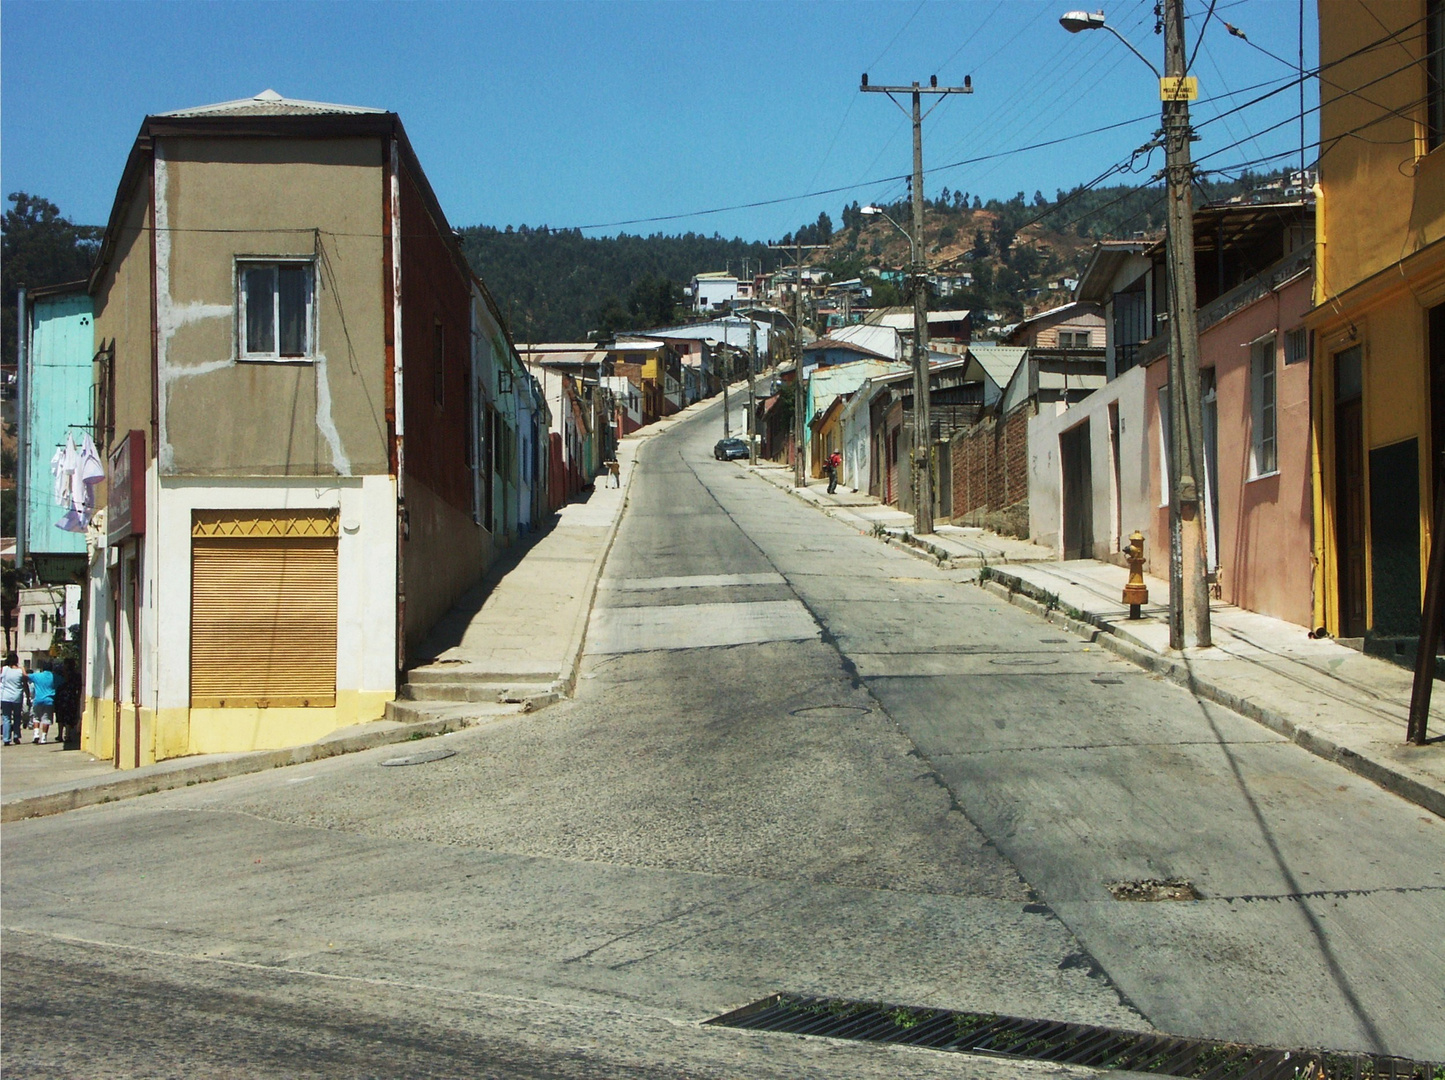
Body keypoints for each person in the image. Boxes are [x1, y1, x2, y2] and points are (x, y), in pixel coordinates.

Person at [2, 653, 29, 746]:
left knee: (6, 717)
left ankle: (6, 738)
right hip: (17, 697)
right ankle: (16, 736)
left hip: (5, 697)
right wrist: (28, 696)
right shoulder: (20, 670)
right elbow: (25, 682)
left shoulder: (4, 669)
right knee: (17, 717)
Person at [29, 660, 58, 745]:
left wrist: (22, 669)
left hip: (38, 700)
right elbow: (64, 680)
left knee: (36, 718)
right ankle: (44, 738)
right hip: (49, 700)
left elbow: (25, 676)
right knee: (46, 719)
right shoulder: (54, 677)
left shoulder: (37, 676)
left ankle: (36, 734)